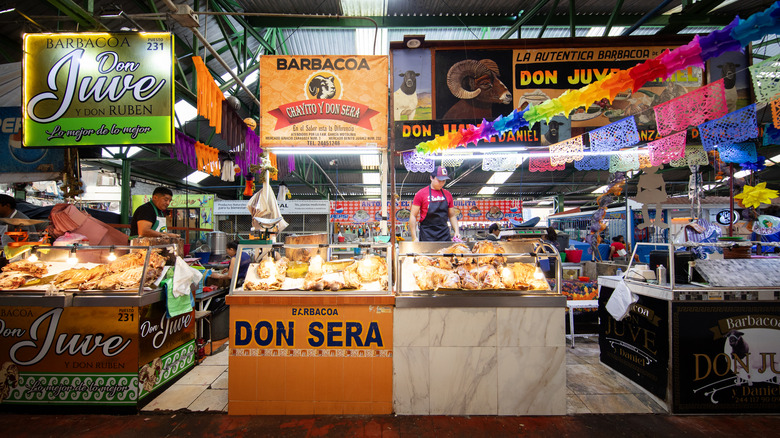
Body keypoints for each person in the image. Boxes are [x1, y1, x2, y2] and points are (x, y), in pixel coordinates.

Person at [409, 166, 460, 242]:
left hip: (444, 234)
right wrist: (414, 237)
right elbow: (413, 215)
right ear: (431, 178)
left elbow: (452, 215)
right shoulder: (421, 194)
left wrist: (457, 231)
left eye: (444, 181)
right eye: (439, 180)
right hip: (427, 234)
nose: (442, 183)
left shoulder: (448, 194)